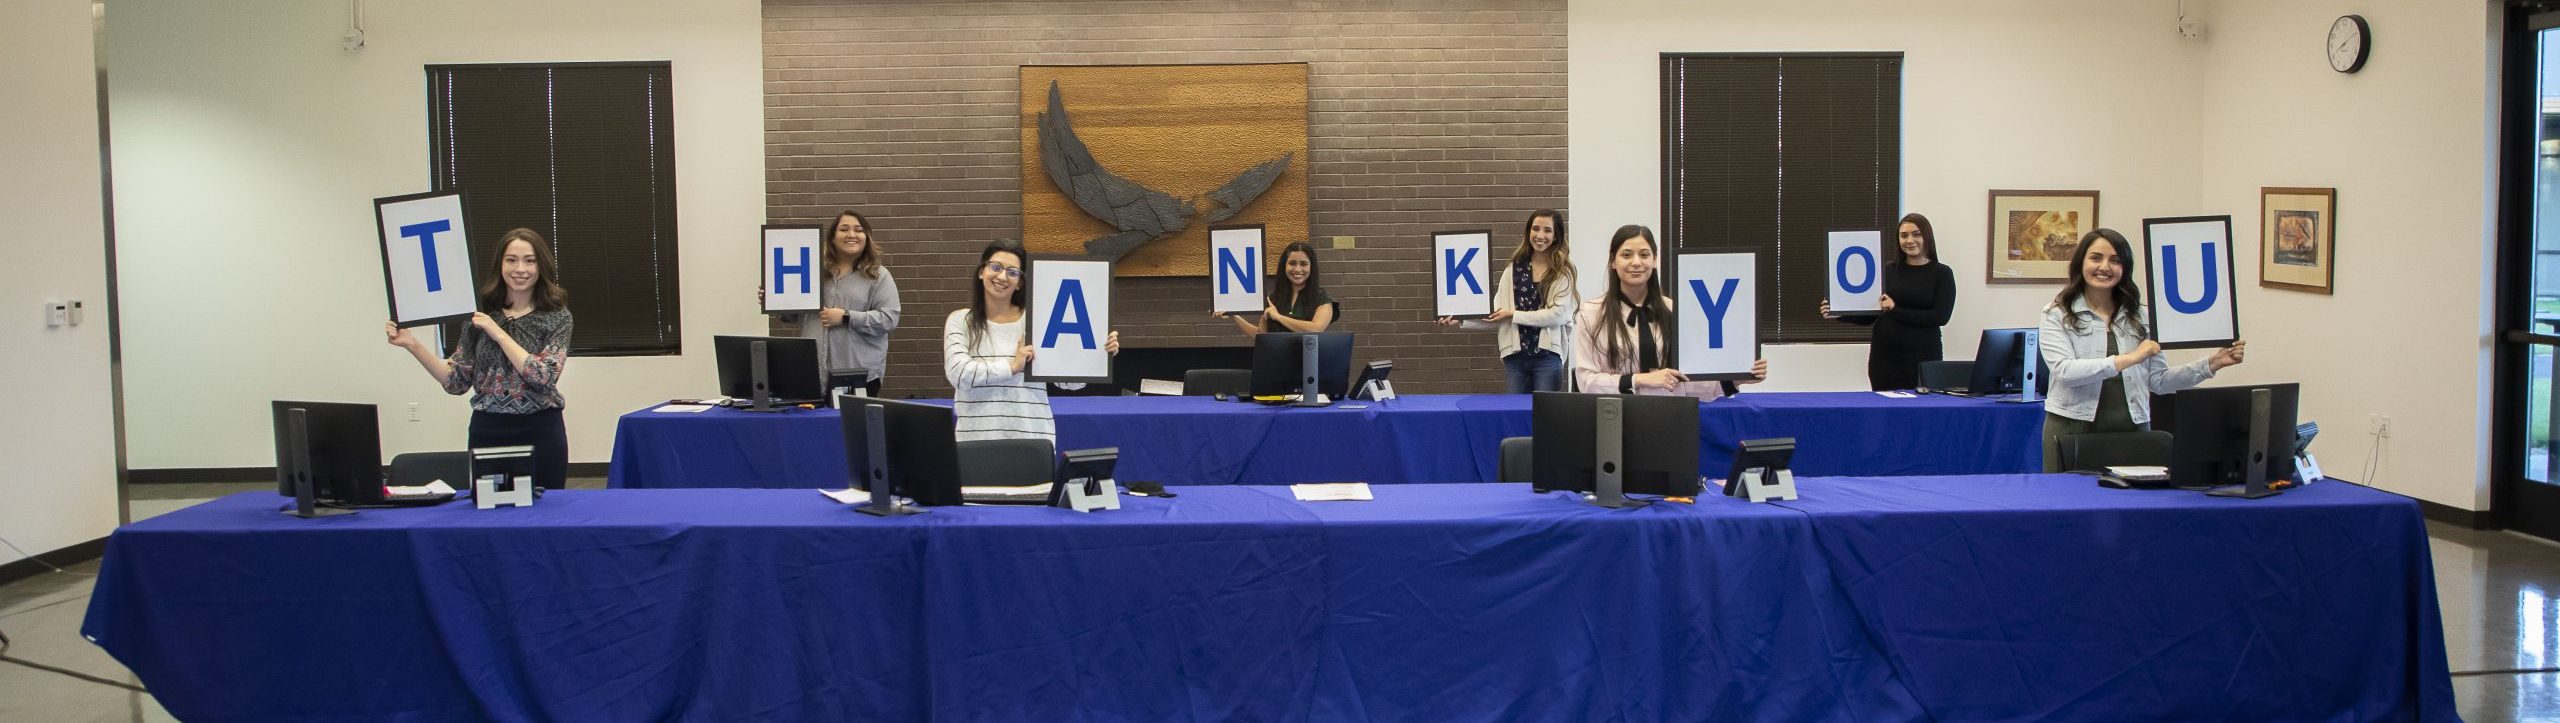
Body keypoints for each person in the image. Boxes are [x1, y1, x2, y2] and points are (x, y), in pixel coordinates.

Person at [2038, 228, 2246, 472]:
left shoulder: (2143, 316)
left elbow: (2159, 381)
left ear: (2125, 267)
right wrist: (2129, 358)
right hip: (2071, 428)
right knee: (2068, 507)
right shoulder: (2056, 314)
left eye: (2115, 260)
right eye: (2096, 258)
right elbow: (2064, 371)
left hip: (2132, 430)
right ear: (2080, 262)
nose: (2104, 267)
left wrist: (2211, 364)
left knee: (2131, 507)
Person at [385, 228, 574, 489]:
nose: (520, 269)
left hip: (541, 431)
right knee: (489, 519)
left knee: (545, 519)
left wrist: (497, 332)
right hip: (488, 431)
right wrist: (412, 344)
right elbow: (456, 382)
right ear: (500, 264)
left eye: (529, 260)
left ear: (541, 265)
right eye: (511, 260)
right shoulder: (478, 314)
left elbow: (542, 376)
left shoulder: (557, 316)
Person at [944, 240, 1120, 443]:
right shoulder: (960, 321)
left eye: (1012, 272)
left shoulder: (1038, 320)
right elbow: (958, 374)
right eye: (996, 267)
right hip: (974, 439)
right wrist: (1011, 367)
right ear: (981, 272)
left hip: (1033, 437)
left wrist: (1097, 355)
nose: (1002, 276)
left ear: (1020, 282)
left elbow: (1069, 382)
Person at [1571, 224, 1767, 399]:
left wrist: (1737, 379)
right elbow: (1586, 382)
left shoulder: (1675, 311)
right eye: (1627, 254)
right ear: (1613, 261)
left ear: (1655, 260)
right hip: (1616, 417)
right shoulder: (1591, 314)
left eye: (1645, 255)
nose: (1636, 262)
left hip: (1671, 416)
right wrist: (1640, 380)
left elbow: (1688, 381)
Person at [762, 209, 901, 397]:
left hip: (858, 375)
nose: (851, 234)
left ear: (866, 237)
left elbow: (889, 319)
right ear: (833, 238)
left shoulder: (878, 275)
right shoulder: (812, 272)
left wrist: (846, 317)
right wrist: (775, 301)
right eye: (844, 229)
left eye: (858, 230)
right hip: (812, 373)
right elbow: (796, 315)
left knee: (852, 425)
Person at [1437, 210, 1580, 392]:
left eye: (1547, 230)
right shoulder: (1514, 269)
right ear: (1528, 232)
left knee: (1544, 417)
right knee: (1516, 415)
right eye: (1535, 229)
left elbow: (1557, 316)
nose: (1540, 235)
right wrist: (1461, 318)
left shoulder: (1562, 271)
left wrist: (1513, 315)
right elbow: (1498, 314)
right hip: (1516, 358)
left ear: (1556, 235)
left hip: (1547, 357)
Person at [1821, 213, 1957, 391]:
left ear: (1927, 237)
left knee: (1921, 413)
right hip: (1885, 359)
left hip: (1923, 358)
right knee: (1884, 412)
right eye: (1904, 235)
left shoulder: (1942, 273)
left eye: (1916, 234)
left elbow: (1940, 317)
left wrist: (1895, 309)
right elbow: (1871, 315)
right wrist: (1840, 313)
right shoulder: (1886, 270)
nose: (1910, 240)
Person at [1213, 242, 1337, 336]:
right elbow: (1261, 336)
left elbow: (1316, 329)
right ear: (1284, 266)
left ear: (1311, 267)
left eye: (1303, 264)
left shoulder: (1322, 297)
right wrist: (1235, 315)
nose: (1298, 269)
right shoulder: (1273, 298)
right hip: (1278, 363)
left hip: (1309, 366)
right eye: (1292, 263)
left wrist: (1278, 317)